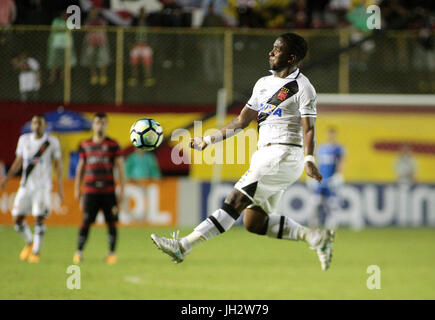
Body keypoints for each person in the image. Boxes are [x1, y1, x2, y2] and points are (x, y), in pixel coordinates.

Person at [151, 33, 335, 271]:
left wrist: (310, 159)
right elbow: (240, 121)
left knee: (235, 200)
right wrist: (209, 139)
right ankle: (315, 238)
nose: (270, 52)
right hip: (267, 156)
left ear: (291, 57)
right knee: (254, 222)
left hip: (284, 154)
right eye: (272, 48)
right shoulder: (263, 84)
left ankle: (183, 246)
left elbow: (308, 128)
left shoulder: (303, 88)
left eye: (277, 50)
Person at [0, 114, 64, 263]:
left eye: (40, 123)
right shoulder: (24, 140)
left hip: (42, 187)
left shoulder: (52, 142)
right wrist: (7, 178)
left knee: (39, 219)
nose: (37, 125)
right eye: (35, 123)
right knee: (17, 219)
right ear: (32, 125)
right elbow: (18, 162)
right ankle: (30, 242)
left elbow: (58, 165)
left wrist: (60, 187)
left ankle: (36, 252)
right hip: (25, 186)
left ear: (45, 126)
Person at [73, 113, 125, 265]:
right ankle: (79, 252)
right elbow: (80, 168)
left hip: (109, 191)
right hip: (90, 191)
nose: (100, 126)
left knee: (111, 222)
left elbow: (120, 169)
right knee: (86, 222)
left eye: (103, 123)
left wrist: (121, 189)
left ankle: (112, 254)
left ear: (106, 125)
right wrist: (77, 189)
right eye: (97, 123)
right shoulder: (85, 144)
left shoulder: (113, 144)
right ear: (93, 125)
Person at [308, 127, 345, 228]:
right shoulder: (322, 148)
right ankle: (314, 225)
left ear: (335, 135)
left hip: (331, 179)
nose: (331, 136)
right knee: (315, 202)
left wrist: (338, 175)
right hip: (321, 180)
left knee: (332, 204)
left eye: (333, 134)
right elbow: (318, 163)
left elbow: (341, 162)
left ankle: (331, 227)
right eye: (330, 134)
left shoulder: (338, 149)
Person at [80, 7, 111, 86]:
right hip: (91, 42)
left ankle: (103, 75)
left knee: (102, 58)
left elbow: (104, 28)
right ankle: (94, 76)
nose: (93, 13)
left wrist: (95, 29)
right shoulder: (88, 20)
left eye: (94, 11)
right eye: (91, 11)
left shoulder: (101, 19)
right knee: (91, 59)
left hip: (101, 42)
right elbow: (85, 28)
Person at [47, 11, 77, 85]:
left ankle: (63, 78)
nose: (65, 16)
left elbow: (72, 29)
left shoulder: (70, 21)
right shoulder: (56, 21)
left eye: (67, 15)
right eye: (64, 14)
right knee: (54, 62)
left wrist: (63, 28)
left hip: (67, 45)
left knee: (65, 62)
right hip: (56, 45)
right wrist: (64, 29)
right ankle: (52, 77)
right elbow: (55, 29)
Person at [128, 7, 156, 87]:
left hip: (146, 45)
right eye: (141, 12)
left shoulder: (149, 22)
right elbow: (129, 33)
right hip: (136, 45)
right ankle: (134, 78)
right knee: (134, 63)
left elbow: (153, 34)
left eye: (143, 12)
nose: (142, 13)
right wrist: (130, 43)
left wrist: (152, 44)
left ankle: (148, 78)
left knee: (147, 63)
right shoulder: (134, 22)